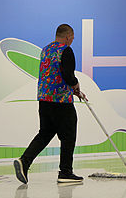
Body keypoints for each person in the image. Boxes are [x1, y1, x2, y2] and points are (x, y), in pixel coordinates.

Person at [14, 24, 87, 184]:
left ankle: (24, 161)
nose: (72, 40)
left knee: (45, 133)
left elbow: (54, 73)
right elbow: (67, 75)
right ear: (67, 37)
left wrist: (73, 89)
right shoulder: (66, 50)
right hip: (61, 101)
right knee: (68, 135)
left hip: (44, 100)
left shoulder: (45, 50)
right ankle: (65, 172)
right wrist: (75, 84)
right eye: (72, 38)